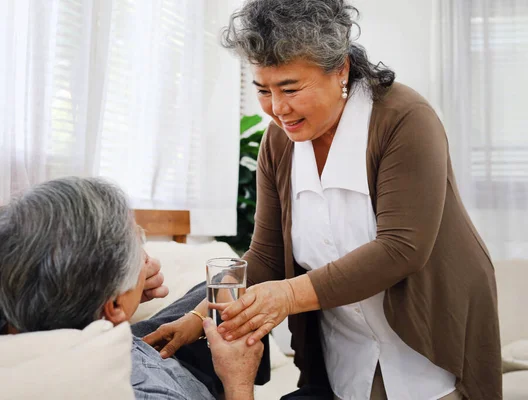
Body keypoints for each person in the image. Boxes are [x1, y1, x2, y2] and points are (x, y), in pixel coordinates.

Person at [145, 0, 502, 399]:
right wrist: (200, 314)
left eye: (291, 88)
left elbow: (402, 248)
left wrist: (288, 295)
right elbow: (264, 255)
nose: (278, 109)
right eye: (264, 90)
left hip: (429, 341)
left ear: (341, 70)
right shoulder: (278, 143)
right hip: (345, 352)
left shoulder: (403, 118)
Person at [0, 177, 264, 400]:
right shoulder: (152, 392)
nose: (149, 260)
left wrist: (129, 294)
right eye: (139, 244)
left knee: (222, 287)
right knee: (242, 297)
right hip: (169, 369)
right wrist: (238, 382)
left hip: (136, 338)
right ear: (113, 306)